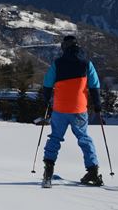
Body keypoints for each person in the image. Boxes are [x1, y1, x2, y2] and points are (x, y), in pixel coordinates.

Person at [41, 35, 103, 187]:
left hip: (60, 108)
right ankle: (93, 171)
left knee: (55, 138)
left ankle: (48, 170)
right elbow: (95, 85)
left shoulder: (58, 63)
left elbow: (47, 84)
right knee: (84, 138)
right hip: (79, 109)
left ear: (64, 47)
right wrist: (97, 105)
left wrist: (47, 102)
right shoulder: (87, 64)